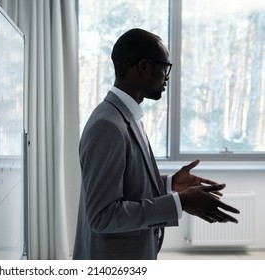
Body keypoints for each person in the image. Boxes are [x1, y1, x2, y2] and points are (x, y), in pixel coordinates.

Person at [72, 28, 240, 260]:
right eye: (164, 67)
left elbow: (126, 185)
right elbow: (103, 215)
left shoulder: (124, 116)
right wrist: (180, 203)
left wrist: (170, 184)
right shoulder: (108, 125)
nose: (167, 77)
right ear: (143, 67)